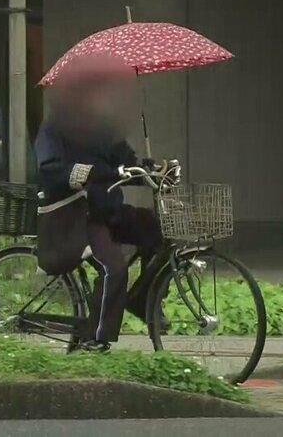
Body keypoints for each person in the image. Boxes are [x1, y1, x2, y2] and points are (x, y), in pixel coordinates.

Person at [33, 52, 165, 353]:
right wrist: (91, 173)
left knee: (154, 230)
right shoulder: (54, 128)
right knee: (113, 267)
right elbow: (49, 169)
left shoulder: (100, 126)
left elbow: (123, 159)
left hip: (108, 209)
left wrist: (145, 168)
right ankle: (96, 339)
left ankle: (141, 300)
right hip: (79, 213)